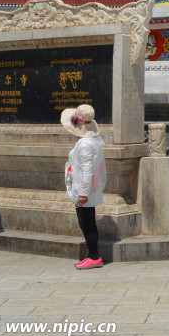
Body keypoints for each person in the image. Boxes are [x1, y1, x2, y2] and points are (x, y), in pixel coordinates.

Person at [62, 104, 107, 269]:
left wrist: (82, 193)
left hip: (85, 189)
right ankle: (92, 255)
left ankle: (94, 256)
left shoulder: (86, 144)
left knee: (87, 223)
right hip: (86, 188)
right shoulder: (89, 141)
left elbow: (88, 170)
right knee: (86, 222)